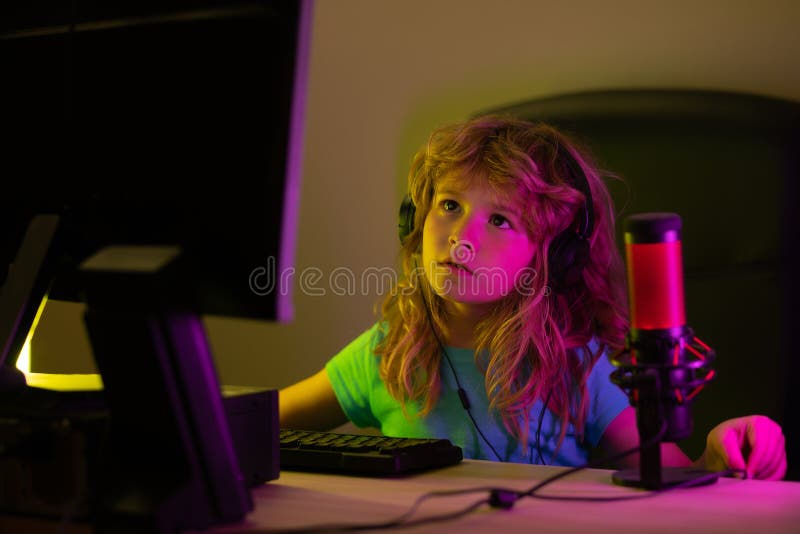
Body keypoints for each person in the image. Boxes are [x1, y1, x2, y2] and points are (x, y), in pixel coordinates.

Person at [281, 115, 786, 480]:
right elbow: (256, 423)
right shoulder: (388, 351)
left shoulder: (578, 369)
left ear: (555, 255)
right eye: (450, 204)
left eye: (500, 220)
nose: (461, 237)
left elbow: (679, 482)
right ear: (415, 218)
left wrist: (726, 453)